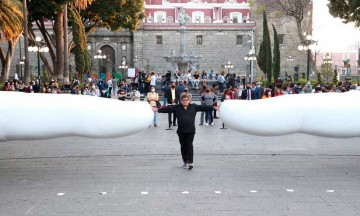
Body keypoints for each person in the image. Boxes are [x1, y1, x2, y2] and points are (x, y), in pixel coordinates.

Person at [153, 93, 218, 169]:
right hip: (181, 131)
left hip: (191, 130)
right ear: (181, 101)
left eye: (186, 100)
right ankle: (185, 161)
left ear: (189, 100)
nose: (185, 101)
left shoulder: (193, 107)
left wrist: (213, 107)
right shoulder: (177, 107)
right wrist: (157, 110)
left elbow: (204, 107)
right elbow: (167, 109)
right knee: (183, 146)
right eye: (183, 100)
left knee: (189, 145)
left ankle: (190, 162)